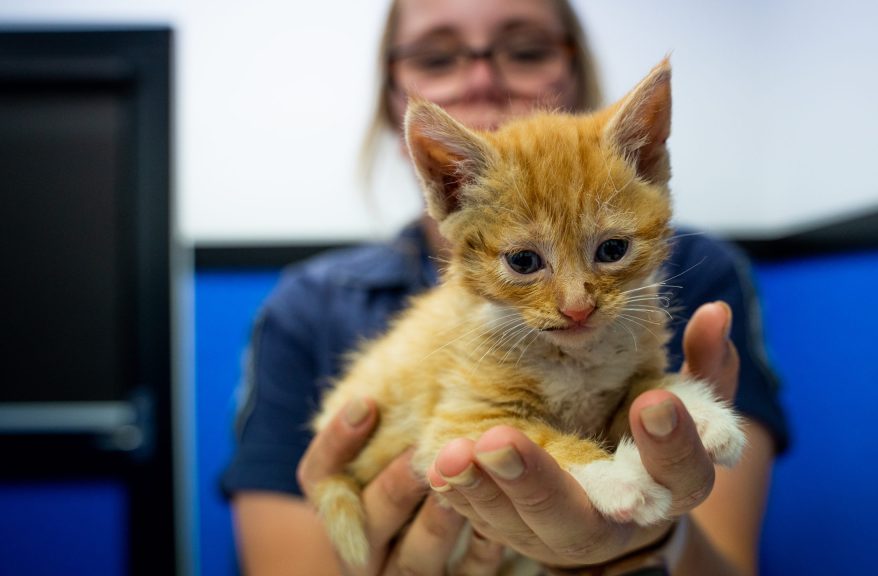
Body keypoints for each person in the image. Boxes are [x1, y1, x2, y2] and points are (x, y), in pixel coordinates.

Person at [222, 0, 788, 574]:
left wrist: (659, 541)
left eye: (526, 50)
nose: (576, 304)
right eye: (436, 55)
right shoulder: (306, 306)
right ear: (448, 183)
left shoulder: (701, 272)